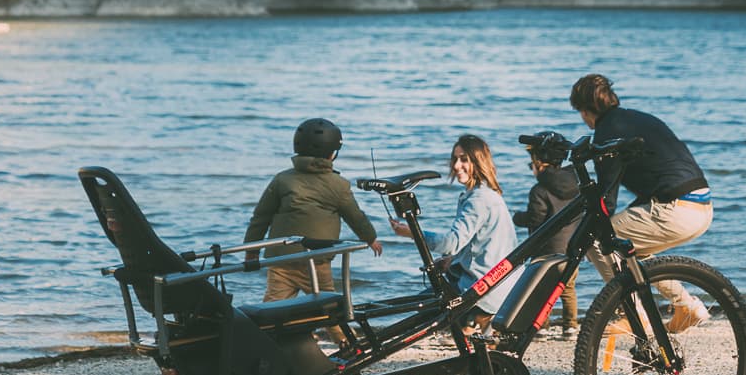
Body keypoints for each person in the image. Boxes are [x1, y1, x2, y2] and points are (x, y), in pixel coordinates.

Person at [569, 73, 712, 333]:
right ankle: (686, 306)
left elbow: (606, 200)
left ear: (586, 110)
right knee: (633, 248)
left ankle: (635, 315)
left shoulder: (607, 133)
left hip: (675, 209)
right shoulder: (639, 119)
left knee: (598, 242)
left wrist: (578, 229)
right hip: (701, 205)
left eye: (580, 112)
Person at [388, 134, 518, 332]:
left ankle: (473, 324)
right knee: (426, 298)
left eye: (464, 159)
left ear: (478, 160)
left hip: (483, 291)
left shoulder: (478, 199)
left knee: (424, 305)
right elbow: (479, 245)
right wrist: (451, 260)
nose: (457, 166)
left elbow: (452, 242)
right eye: (455, 159)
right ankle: (471, 327)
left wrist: (412, 232)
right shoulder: (485, 193)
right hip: (502, 285)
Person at [244, 117, 382, 303]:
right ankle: (338, 333)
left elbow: (261, 217)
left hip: (281, 259)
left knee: (273, 307)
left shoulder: (282, 179)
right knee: (328, 308)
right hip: (316, 260)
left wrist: (252, 249)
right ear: (332, 154)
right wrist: (370, 238)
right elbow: (355, 217)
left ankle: (270, 332)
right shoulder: (338, 185)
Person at [513, 137, 583, 339]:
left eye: (531, 165)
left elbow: (536, 219)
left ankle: (541, 326)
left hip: (545, 251)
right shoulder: (576, 186)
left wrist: (519, 218)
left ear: (540, 164)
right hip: (572, 247)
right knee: (568, 289)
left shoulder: (539, 191)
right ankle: (570, 327)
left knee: (542, 290)